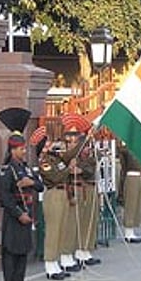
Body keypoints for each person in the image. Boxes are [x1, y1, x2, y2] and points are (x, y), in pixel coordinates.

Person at [0, 107, 44, 281]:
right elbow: (4, 197)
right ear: (13, 150)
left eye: (24, 148)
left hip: (27, 214)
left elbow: (40, 186)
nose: (24, 151)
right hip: (14, 217)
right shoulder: (7, 171)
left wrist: (30, 182)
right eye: (21, 148)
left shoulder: (25, 169)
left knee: (23, 253)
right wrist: (18, 214)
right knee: (12, 255)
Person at [60, 112, 101, 269]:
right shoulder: (65, 154)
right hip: (73, 190)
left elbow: (90, 167)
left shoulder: (87, 154)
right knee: (71, 224)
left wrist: (80, 168)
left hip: (86, 187)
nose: (72, 141)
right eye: (70, 138)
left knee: (87, 221)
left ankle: (83, 250)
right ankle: (67, 254)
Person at [30, 126, 70, 280]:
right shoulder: (44, 161)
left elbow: (62, 169)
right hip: (52, 193)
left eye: (49, 143)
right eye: (46, 144)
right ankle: (50, 264)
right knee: (53, 230)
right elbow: (55, 177)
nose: (49, 146)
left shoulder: (55, 158)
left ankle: (57, 262)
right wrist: (68, 170)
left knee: (61, 229)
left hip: (62, 193)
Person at [118, 143, 141, 242]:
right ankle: (128, 232)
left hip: (139, 175)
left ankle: (132, 229)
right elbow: (121, 150)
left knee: (137, 203)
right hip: (131, 176)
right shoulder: (126, 150)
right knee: (131, 204)